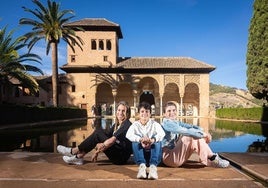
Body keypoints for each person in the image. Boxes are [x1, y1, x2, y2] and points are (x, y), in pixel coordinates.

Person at [57, 101, 133, 165]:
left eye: (123, 111)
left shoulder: (127, 124)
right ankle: (79, 156)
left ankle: (74, 151)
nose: (120, 113)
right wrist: (98, 148)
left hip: (120, 158)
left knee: (98, 132)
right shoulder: (116, 124)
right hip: (117, 153)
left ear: (127, 113)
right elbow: (106, 137)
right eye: (119, 110)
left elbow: (111, 140)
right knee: (99, 133)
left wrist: (97, 152)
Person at [162, 101, 230, 168]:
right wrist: (203, 134)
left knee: (194, 135)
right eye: (169, 111)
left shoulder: (176, 122)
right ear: (164, 114)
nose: (172, 113)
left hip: (176, 156)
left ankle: (209, 159)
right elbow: (186, 131)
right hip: (169, 158)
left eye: (174, 110)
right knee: (189, 136)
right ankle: (212, 158)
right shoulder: (167, 123)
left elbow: (190, 126)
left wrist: (201, 130)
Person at [126, 102, 165, 180]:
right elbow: (128, 135)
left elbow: (162, 133)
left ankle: (153, 168)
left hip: (153, 155)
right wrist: (140, 140)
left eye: (147, 111)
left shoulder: (155, 124)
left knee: (157, 141)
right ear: (139, 113)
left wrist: (152, 140)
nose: (144, 113)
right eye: (142, 111)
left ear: (150, 114)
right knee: (135, 142)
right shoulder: (135, 125)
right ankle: (142, 167)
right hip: (141, 155)